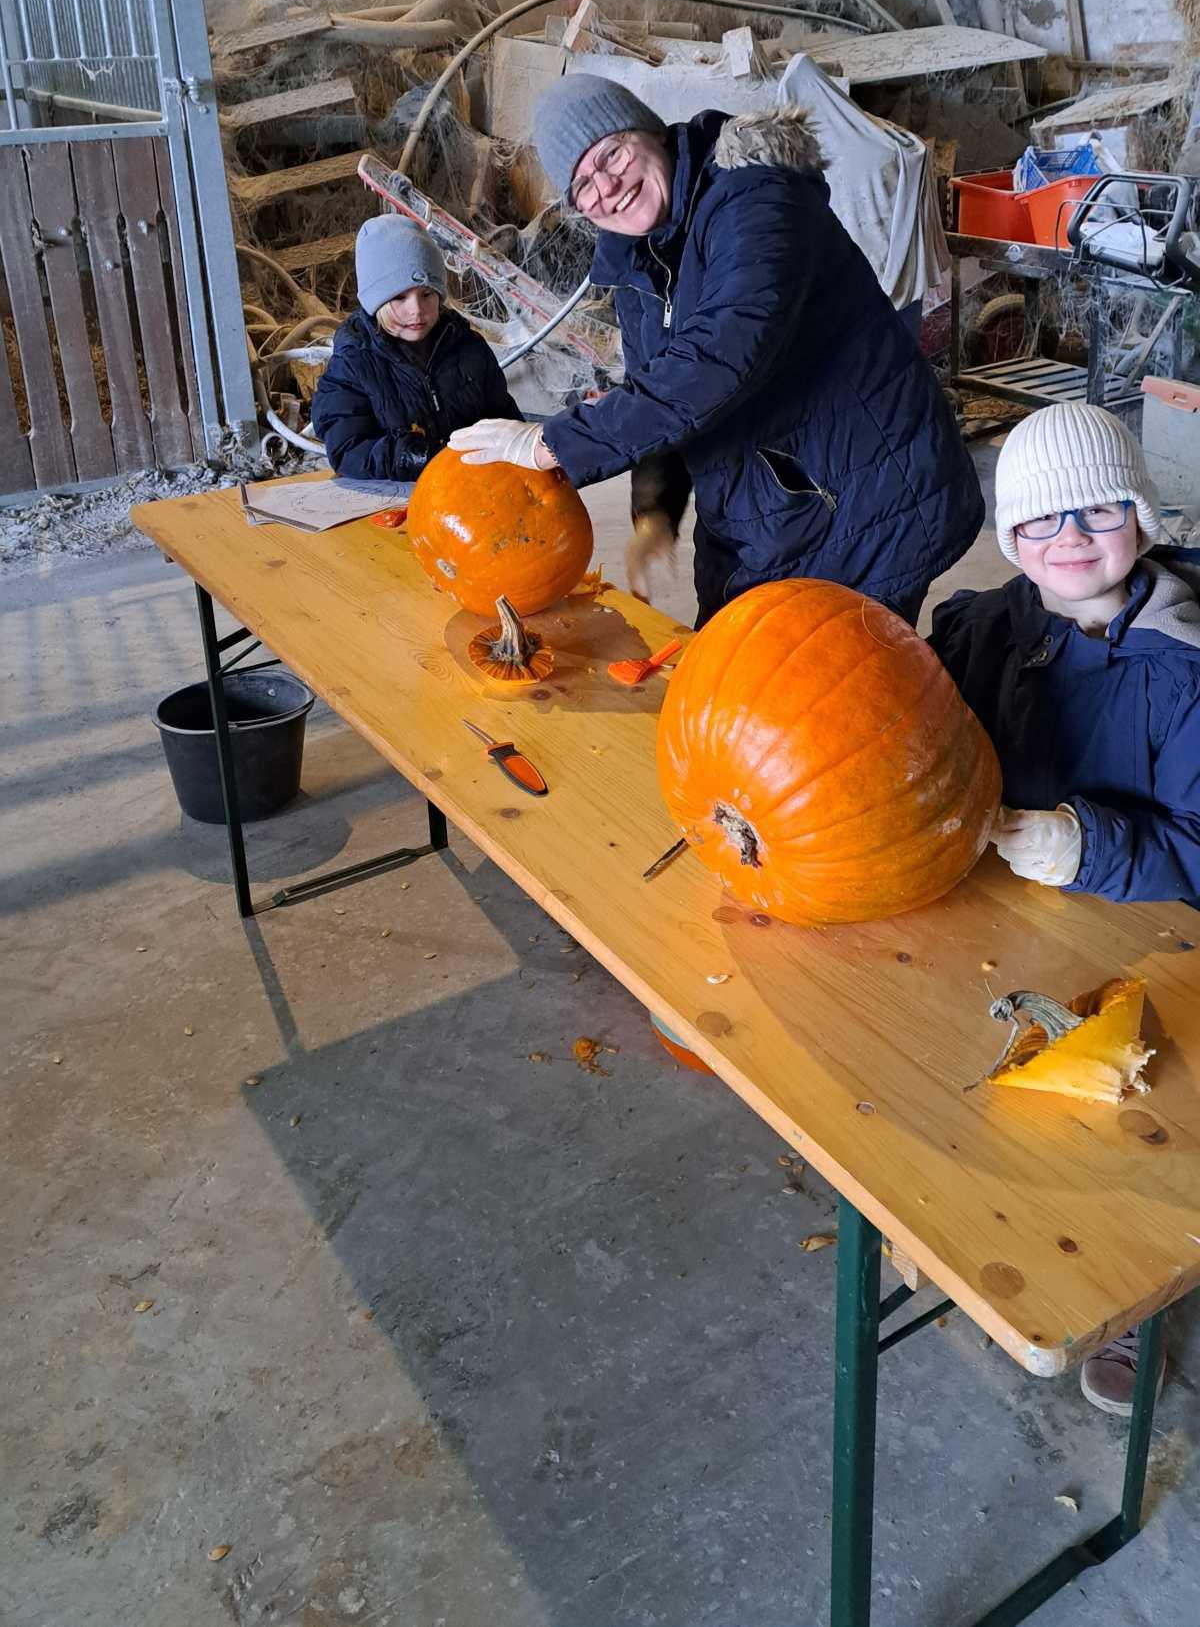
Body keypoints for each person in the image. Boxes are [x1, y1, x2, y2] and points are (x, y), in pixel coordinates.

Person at [447, 77, 983, 626]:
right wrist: (655, 512)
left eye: (612, 153)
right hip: (768, 508)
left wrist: (554, 441)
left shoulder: (755, 195)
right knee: (720, 683)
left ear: (649, 133)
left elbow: (718, 356)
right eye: (583, 185)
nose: (607, 186)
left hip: (866, 494)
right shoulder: (636, 259)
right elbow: (656, 387)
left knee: (837, 685)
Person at [930, 400, 1200, 1417]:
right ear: (1011, 538)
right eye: (1040, 522)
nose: (1070, 539)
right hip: (1025, 909)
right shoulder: (987, 624)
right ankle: (1006, 1216)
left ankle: (1140, 1288)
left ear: (1143, 516)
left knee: (1146, 1110)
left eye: (1098, 511)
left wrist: (1090, 843)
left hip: (1162, 927)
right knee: (978, 1061)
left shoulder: (1188, 675)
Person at [311, 215, 520, 482]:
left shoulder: (469, 350)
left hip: (473, 488)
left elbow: (506, 420)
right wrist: (412, 456)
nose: (417, 310)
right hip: (397, 496)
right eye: (399, 297)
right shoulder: (353, 363)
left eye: (427, 294)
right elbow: (347, 450)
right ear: (376, 302)